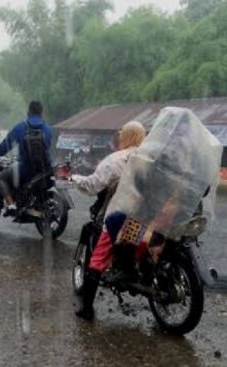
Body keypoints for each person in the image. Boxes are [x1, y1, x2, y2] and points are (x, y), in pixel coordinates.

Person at [74, 121, 147, 321]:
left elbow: (92, 186)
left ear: (125, 137)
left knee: (98, 258)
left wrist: (76, 179)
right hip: (149, 218)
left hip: (122, 217)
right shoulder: (151, 158)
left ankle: (86, 309)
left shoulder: (115, 160)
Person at [0, 101, 53, 215]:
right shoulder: (48, 129)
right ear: (42, 113)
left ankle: (11, 204)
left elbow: (5, 145)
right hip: (44, 169)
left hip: (25, 169)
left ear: (29, 112)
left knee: (0, 178)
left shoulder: (20, 127)